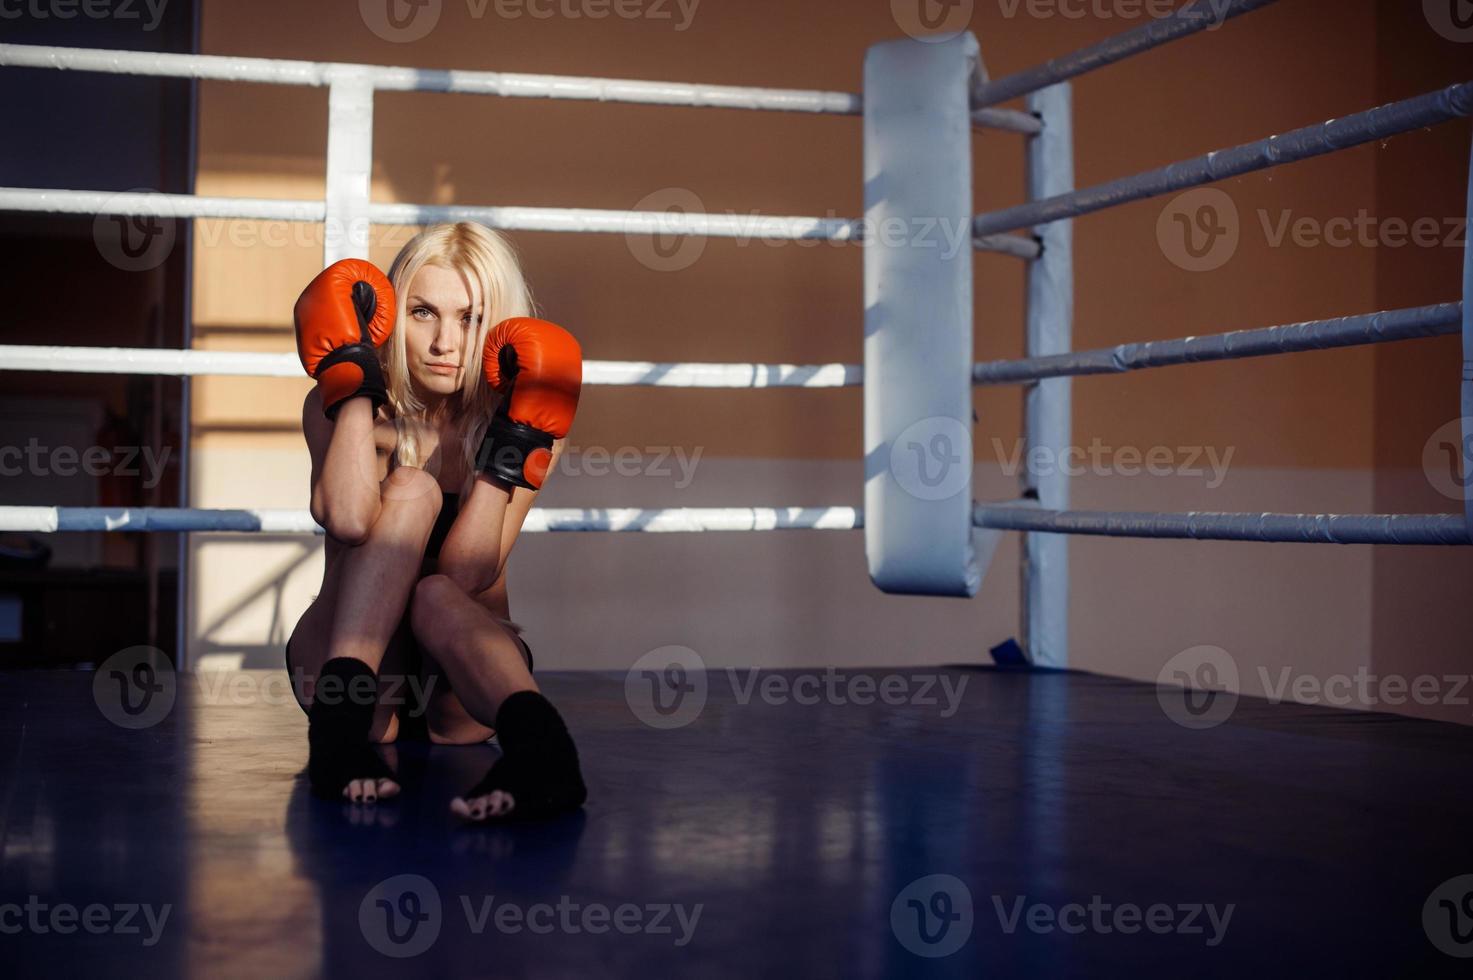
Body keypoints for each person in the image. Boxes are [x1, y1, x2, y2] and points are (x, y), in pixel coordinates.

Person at [284, 221, 587, 822]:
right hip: (351, 677)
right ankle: (338, 739)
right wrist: (353, 377)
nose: (446, 341)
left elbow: (470, 569)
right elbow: (344, 518)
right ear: (391, 315)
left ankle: (543, 752)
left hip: (462, 682)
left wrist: (509, 445)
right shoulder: (340, 404)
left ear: (498, 325)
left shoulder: (527, 417)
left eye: (471, 318)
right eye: (424, 312)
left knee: (435, 593)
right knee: (411, 490)